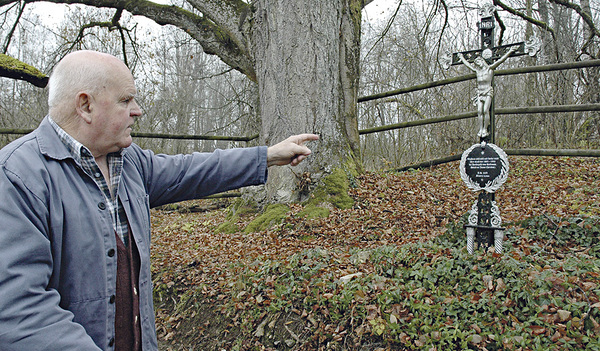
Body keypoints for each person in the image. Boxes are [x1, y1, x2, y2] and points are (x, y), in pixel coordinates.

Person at [0, 50, 318, 351]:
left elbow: (192, 171)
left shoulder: (130, 162)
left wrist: (267, 156)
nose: (137, 110)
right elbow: (21, 311)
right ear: (85, 106)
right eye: (126, 100)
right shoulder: (18, 176)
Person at [457, 45, 518, 138]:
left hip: (488, 91)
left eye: (479, 61)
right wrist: (461, 58)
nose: (478, 64)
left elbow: (500, 60)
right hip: (479, 93)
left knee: (485, 110)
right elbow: (468, 65)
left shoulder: (489, 69)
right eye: (476, 63)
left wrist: (509, 51)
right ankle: (480, 129)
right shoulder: (477, 72)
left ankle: (485, 129)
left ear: (482, 61)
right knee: (479, 111)